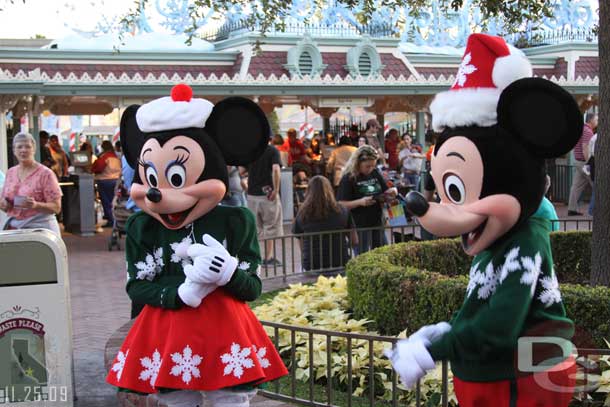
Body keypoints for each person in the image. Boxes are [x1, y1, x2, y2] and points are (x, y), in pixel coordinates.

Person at [337, 145, 397, 254]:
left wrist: (390, 193)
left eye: (373, 165)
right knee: (362, 255)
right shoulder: (348, 178)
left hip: (377, 221)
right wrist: (360, 202)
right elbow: (341, 204)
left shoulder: (375, 172)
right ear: (357, 163)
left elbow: (385, 190)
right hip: (359, 224)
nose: (370, 169)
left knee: (383, 253)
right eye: (367, 166)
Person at [0, 132, 62, 235]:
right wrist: (4, 205)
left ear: (34, 149)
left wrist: (36, 205)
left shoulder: (45, 174)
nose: (23, 150)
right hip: (14, 229)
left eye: (27, 147)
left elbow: (56, 207)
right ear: (14, 151)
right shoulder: (10, 173)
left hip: (41, 231)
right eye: (19, 147)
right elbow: (4, 203)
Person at [293, 176, 356, 271]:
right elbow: (354, 240)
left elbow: (302, 244)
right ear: (330, 189)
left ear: (309, 191)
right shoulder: (343, 210)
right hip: (339, 261)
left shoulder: (302, 213)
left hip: (312, 264)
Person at [245, 138, 283, 266]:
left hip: (251, 195)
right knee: (270, 227)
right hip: (268, 195)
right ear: (270, 138)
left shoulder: (250, 151)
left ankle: (257, 258)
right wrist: (276, 190)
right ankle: (268, 258)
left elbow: (241, 171)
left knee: (256, 228)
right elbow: (276, 169)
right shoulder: (272, 150)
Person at [567, 112, 596, 216]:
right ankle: (595, 210)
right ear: (591, 120)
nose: (596, 121)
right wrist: (589, 163)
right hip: (584, 163)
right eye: (596, 119)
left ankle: (572, 209)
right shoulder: (588, 131)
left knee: (576, 186)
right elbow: (585, 147)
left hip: (578, 161)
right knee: (597, 184)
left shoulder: (580, 129)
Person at [91, 140, 121, 227]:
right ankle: (116, 219)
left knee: (106, 201)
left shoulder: (104, 157)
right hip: (116, 180)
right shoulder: (115, 157)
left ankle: (111, 220)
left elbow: (98, 168)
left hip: (105, 180)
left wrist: (92, 169)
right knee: (114, 201)